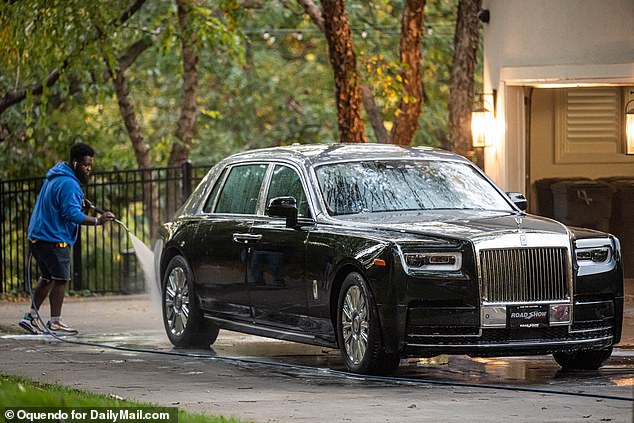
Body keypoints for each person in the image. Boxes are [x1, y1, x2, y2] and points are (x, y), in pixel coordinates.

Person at [18, 143, 115, 335]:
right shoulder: (70, 184)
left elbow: (62, 206)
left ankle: (30, 318)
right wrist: (98, 220)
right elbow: (72, 215)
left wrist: (80, 204)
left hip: (38, 237)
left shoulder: (55, 177)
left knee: (47, 278)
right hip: (54, 239)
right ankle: (55, 322)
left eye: (90, 166)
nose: (88, 169)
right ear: (75, 162)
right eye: (86, 165)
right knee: (61, 279)